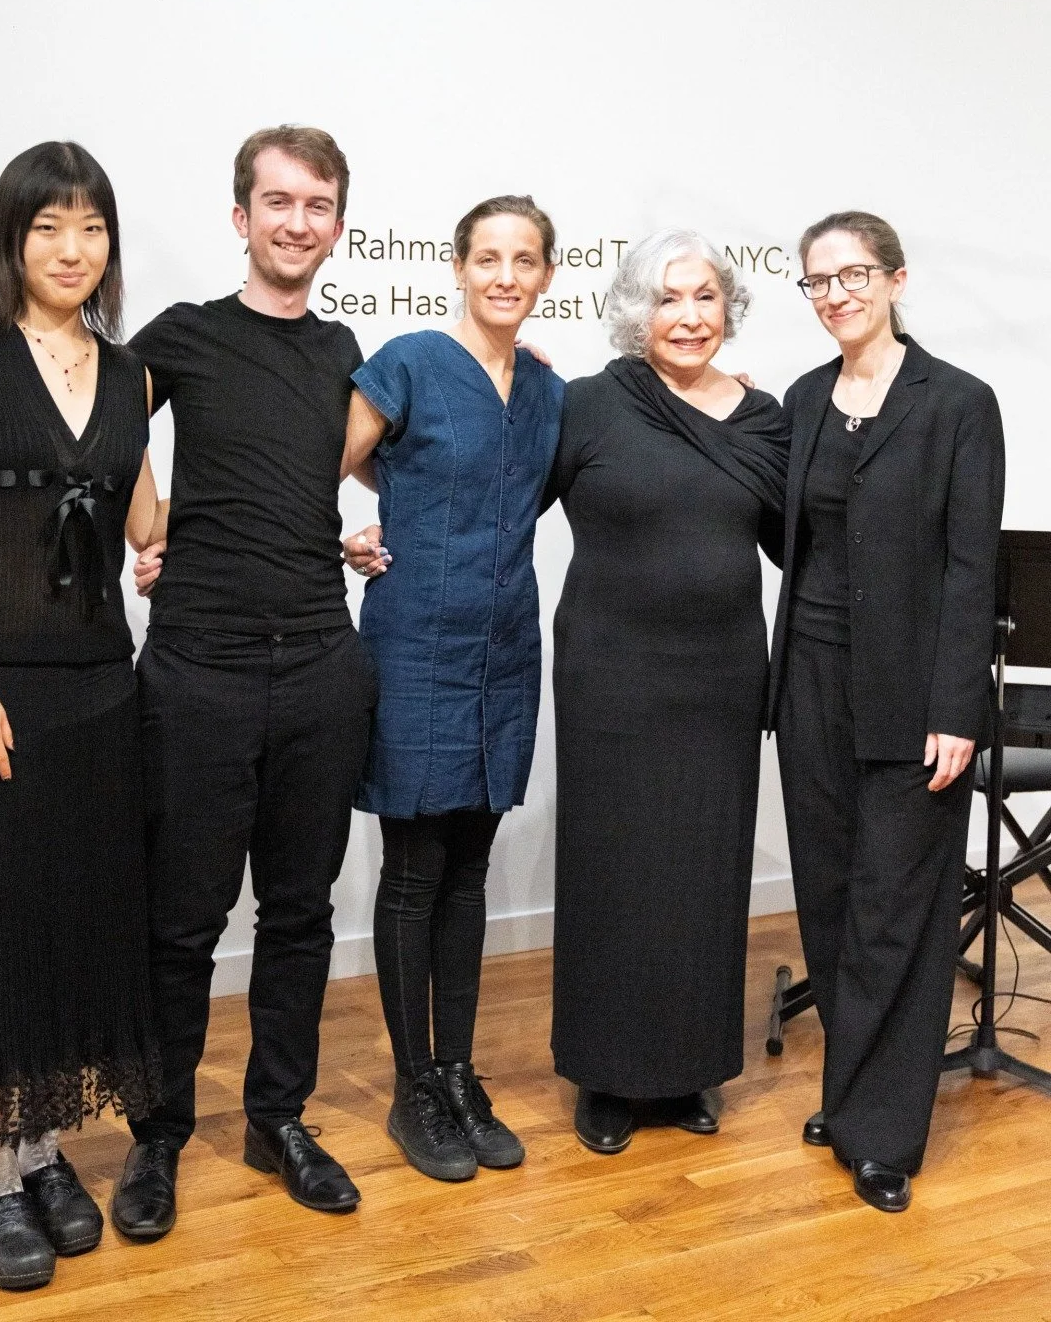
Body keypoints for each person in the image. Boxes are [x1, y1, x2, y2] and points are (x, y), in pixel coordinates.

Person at [0, 128, 377, 1231]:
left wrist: (340, 535)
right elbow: (9, 459)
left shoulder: (336, 350)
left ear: (339, 225)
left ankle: (271, 1119)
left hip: (271, 669)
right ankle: (147, 1135)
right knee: (169, 920)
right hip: (174, 673)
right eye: (276, 201)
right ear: (241, 216)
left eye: (316, 205)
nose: (296, 221)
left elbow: (135, 489)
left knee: (289, 913)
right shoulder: (172, 341)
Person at [0, 142, 164, 1293]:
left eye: (91, 226)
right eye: (49, 224)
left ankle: (46, 1147)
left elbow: (143, 518)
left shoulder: (131, 374)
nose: (71, 246)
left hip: (101, 689)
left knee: (71, 921)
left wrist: (177, 548)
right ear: (13, 237)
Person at [767, 211, 1004, 1214]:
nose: (836, 295)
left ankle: (884, 1134)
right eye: (818, 281)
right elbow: (791, 536)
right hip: (811, 680)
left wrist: (958, 707)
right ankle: (849, 1088)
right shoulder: (803, 399)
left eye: (854, 274)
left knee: (896, 911)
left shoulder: (959, 402)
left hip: (916, 697)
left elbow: (971, 566)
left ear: (896, 280)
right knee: (828, 900)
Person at [546, 229, 788, 1154]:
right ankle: (606, 1076)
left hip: (720, 685)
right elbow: (495, 501)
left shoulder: (765, 421)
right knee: (612, 876)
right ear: (633, 314)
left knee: (703, 877)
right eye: (666, 299)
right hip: (610, 681)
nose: (687, 317)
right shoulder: (588, 405)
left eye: (704, 297)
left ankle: (689, 1068)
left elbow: (803, 544)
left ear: (729, 308)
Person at [340, 196, 563, 1182]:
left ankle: (461, 1075)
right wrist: (346, 537)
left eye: (525, 259)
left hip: (504, 651)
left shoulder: (548, 391)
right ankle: (413, 1089)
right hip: (416, 646)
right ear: (459, 266)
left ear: (546, 274)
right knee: (416, 869)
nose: (506, 275)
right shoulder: (411, 363)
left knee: (471, 867)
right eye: (489, 257)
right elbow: (321, 466)